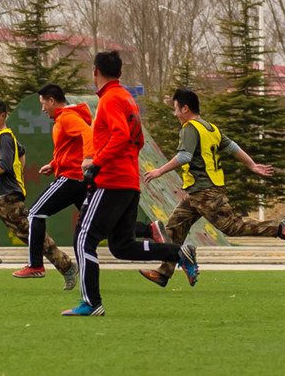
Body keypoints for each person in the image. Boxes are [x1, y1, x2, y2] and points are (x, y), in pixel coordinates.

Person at [63, 50, 199, 317]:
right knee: (122, 246)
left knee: (83, 238)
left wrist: (98, 163)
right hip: (129, 182)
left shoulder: (111, 99)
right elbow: (137, 141)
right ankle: (180, 252)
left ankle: (91, 303)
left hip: (111, 181)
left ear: (94, 71)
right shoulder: (127, 99)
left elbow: (121, 135)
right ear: (121, 73)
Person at [138, 87, 285, 287]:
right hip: (199, 192)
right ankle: (163, 273)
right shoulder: (210, 128)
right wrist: (252, 165)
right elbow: (233, 147)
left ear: (185, 109)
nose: (175, 114)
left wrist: (159, 171)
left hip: (205, 192)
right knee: (174, 227)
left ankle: (278, 228)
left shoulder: (190, 128)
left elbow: (184, 156)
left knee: (231, 227)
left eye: (176, 109)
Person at [0, 98, 76, 286]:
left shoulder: (4, 137)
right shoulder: (1, 137)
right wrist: (19, 172)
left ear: (3, 116)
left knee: (33, 238)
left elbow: (4, 165)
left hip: (8, 200)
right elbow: (21, 150)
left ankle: (67, 266)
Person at [11, 84, 86, 289]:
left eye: (43, 103)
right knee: (97, 222)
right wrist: (54, 165)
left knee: (34, 214)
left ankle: (35, 265)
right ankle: (148, 230)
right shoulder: (66, 118)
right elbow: (71, 148)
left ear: (52, 101)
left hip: (71, 179)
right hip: (79, 180)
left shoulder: (67, 117)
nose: (43, 109)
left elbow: (88, 135)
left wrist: (88, 158)